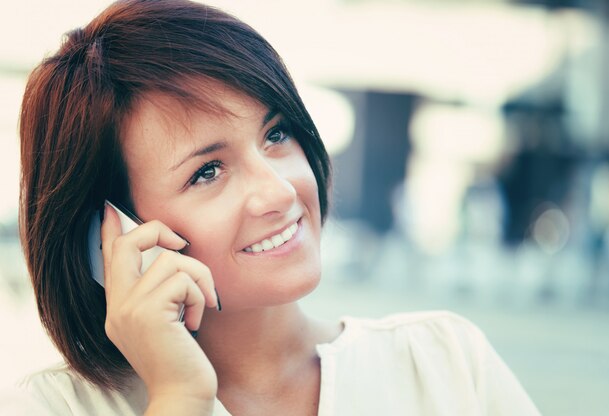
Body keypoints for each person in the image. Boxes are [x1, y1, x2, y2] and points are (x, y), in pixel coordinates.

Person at [14, 0, 541, 414]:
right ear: (105, 239)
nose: (280, 191)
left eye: (276, 133)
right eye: (208, 171)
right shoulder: (53, 408)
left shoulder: (442, 365)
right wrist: (180, 398)